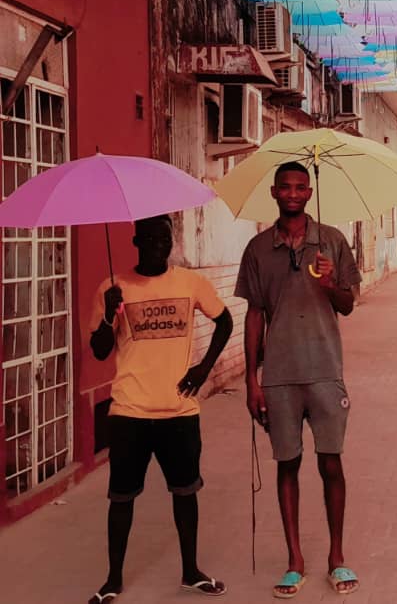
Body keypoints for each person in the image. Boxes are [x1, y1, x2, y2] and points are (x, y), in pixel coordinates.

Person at [87, 214, 232, 604]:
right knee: (121, 498)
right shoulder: (113, 288)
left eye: (165, 239)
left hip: (178, 412)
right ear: (136, 242)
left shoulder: (190, 283)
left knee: (185, 493)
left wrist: (203, 369)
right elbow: (99, 350)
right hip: (129, 412)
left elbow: (225, 321)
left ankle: (191, 572)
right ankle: (113, 580)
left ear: (172, 242)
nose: (159, 246)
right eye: (150, 239)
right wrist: (109, 313)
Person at [237, 162, 363, 598]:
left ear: (310, 193)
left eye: (300, 188)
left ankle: (336, 557)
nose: (292, 193)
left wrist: (329, 283)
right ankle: (294, 561)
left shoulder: (332, 241)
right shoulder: (258, 249)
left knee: (331, 463)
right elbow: (254, 315)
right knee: (286, 464)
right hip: (279, 377)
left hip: (325, 371)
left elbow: (347, 304)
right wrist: (251, 380)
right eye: (285, 187)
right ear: (274, 193)